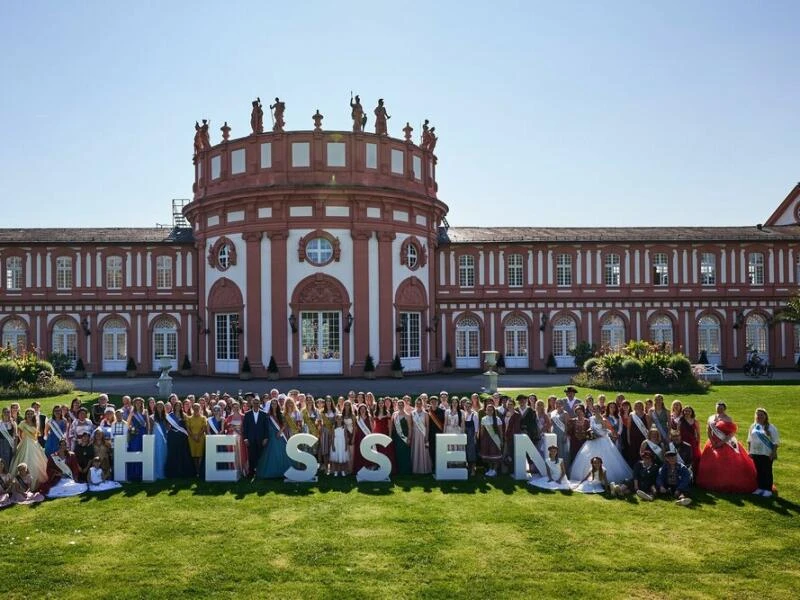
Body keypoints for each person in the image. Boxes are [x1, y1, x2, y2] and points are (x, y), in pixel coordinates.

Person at [696, 403, 757, 494]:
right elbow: (708, 430)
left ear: (724, 409)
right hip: (713, 442)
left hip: (726, 443)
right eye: (717, 407)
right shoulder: (711, 418)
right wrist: (712, 441)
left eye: (721, 408)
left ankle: (727, 483)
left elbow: (731, 433)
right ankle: (713, 482)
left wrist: (721, 442)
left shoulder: (728, 419)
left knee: (726, 464)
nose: (719, 409)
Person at [569, 410, 632, 484]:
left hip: (602, 440)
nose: (596, 412)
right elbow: (590, 428)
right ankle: (588, 476)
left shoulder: (604, 419)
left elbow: (606, 430)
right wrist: (590, 433)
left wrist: (599, 435)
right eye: (595, 411)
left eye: (597, 411)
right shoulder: (591, 418)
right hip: (592, 441)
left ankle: (605, 479)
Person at [10, 408, 47, 490]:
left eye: (31, 413)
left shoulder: (35, 423)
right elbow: (18, 435)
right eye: (28, 414)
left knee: (37, 462)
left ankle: (37, 484)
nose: (30, 415)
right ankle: (22, 485)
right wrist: (22, 441)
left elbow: (36, 436)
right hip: (25, 444)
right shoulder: (22, 423)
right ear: (26, 415)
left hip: (34, 444)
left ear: (33, 415)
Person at [747, 408, 780, 497]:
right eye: (758, 414)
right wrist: (749, 451)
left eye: (762, 415)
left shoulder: (770, 427)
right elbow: (749, 440)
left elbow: (775, 442)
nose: (759, 416)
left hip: (766, 453)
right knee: (758, 471)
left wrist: (773, 453)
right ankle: (760, 488)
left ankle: (768, 489)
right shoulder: (753, 426)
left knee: (767, 471)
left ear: (765, 416)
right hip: (755, 452)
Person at [258, 400, 292, 479]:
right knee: (272, 454)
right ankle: (273, 472)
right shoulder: (268, 415)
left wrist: (280, 431)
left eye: (275, 403)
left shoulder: (281, 414)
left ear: (277, 405)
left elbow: (285, 424)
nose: (274, 405)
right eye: (272, 404)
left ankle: (284, 471)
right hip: (271, 436)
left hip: (279, 435)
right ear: (270, 405)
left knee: (282, 453)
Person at [165, 402, 194, 478]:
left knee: (183, 453)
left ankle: (184, 472)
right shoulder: (169, 415)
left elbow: (187, 426)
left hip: (182, 437)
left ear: (181, 407)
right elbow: (167, 426)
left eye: (179, 405)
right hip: (173, 436)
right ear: (174, 406)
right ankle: (173, 472)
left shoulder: (184, 415)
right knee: (173, 453)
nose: (178, 407)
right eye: (176, 405)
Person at [242, 398, 268, 477]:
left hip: (261, 439)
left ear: (259, 403)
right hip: (250, 439)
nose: (256, 405)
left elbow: (266, 427)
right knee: (251, 456)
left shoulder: (264, 414)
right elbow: (245, 427)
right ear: (252, 404)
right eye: (254, 403)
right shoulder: (247, 414)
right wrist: (245, 438)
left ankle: (260, 472)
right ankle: (251, 472)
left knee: (261, 456)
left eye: (257, 403)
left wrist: (266, 438)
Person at [127, 398, 150, 481]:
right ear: (134, 404)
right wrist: (131, 429)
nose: (138, 404)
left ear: (142, 404)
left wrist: (148, 434)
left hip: (143, 433)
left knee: (143, 451)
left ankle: (142, 473)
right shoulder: (132, 412)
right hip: (135, 435)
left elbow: (147, 424)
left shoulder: (145, 411)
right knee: (134, 451)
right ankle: (134, 473)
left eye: (139, 403)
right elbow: (128, 423)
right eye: (136, 403)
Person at [373, 397, 396, 474]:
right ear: (377, 404)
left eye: (382, 403)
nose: (381, 404)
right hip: (377, 433)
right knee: (378, 451)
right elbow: (374, 424)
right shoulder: (375, 413)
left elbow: (390, 425)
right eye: (379, 403)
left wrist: (389, 435)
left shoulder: (388, 413)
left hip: (385, 433)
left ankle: (387, 467)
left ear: (384, 404)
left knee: (385, 450)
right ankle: (379, 466)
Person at [479, 404, 503, 477]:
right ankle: (490, 468)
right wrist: (481, 440)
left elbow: (500, 431)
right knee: (488, 455)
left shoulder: (497, 419)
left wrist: (501, 440)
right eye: (488, 410)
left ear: (493, 411)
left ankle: (495, 470)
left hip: (495, 440)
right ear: (485, 411)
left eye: (491, 410)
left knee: (495, 455)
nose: (489, 411)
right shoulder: (483, 419)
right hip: (486, 440)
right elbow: (482, 431)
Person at [410, 398, 432, 475]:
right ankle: (415, 468)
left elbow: (427, 426)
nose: (418, 404)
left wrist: (427, 437)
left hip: (423, 434)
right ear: (415, 404)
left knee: (423, 450)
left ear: (422, 404)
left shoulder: (425, 413)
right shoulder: (412, 413)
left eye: (420, 403)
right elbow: (411, 425)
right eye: (417, 403)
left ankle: (424, 468)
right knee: (416, 450)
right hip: (415, 434)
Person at [391, 399, 412, 476]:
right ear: (397, 405)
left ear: (404, 405)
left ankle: (406, 470)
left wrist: (409, 438)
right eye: (399, 405)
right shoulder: (394, 414)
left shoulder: (407, 415)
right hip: (396, 437)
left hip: (404, 437)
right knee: (397, 453)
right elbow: (392, 426)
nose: (400, 406)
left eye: (402, 405)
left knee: (405, 453)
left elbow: (410, 428)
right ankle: (398, 470)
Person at [678, 405, 702, 472]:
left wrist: (698, 443)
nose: (687, 412)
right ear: (683, 412)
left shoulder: (695, 421)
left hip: (692, 442)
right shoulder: (680, 421)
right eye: (685, 411)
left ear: (692, 412)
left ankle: (694, 473)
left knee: (694, 457)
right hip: (683, 441)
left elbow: (698, 434)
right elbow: (678, 432)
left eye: (689, 411)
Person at [186, 403, 207, 477]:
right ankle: (196, 471)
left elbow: (204, 428)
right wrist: (193, 436)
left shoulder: (203, 418)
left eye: (197, 407)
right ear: (192, 408)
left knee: (200, 455)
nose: (196, 409)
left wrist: (198, 436)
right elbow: (188, 428)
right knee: (194, 455)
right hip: (191, 439)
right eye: (194, 407)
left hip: (200, 438)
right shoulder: (189, 418)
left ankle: (200, 471)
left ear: (200, 408)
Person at [351, 404, 374, 473]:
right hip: (359, 437)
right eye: (361, 409)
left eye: (364, 409)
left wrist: (373, 437)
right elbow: (355, 429)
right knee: (359, 452)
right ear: (359, 410)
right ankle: (360, 468)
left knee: (368, 452)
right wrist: (353, 438)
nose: (363, 410)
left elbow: (372, 428)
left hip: (367, 436)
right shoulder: (357, 418)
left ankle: (369, 467)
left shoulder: (369, 417)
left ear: (366, 410)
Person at [626, 401, 649, 466]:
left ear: (643, 407)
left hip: (643, 438)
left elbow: (649, 428)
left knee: (642, 453)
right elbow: (628, 428)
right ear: (634, 407)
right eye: (637, 405)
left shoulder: (646, 416)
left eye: (640, 405)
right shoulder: (631, 415)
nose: (638, 407)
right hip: (633, 438)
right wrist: (628, 438)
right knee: (633, 453)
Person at [151, 401, 168, 480]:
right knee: (157, 454)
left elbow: (168, 428)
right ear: (155, 407)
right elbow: (150, 429)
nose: (160, 407)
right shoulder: (152, 417)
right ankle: (158, 472)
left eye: (161, 406)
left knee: (164, 454)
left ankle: (164, 472)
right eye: (158, 406)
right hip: (156, 439)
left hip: (164, 438)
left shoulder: (166, 417)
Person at [427, 396, 445, 471]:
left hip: (440, 434)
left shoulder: (442, 411)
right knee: (432, 451)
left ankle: (440, 466)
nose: (433, 403)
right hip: (430, 435)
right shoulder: (427, 411)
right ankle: (434, 466)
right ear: (430, 403)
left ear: (438, 402)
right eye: (432, 401)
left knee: (440, 451)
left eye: (435, 401)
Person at [463, 398, 479, 476]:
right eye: (466, 406)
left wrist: (475, 437)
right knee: (466, 451)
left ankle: (473, 469)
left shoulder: (474, 414)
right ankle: (468, 467)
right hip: (465, 435)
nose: (467, 407)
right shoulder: (464, 414)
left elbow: (476, 428)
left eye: (469, 406)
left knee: (472, 452)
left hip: (471, 435)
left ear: (471, 406)